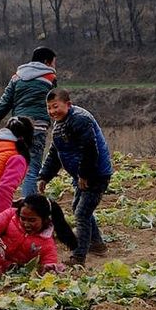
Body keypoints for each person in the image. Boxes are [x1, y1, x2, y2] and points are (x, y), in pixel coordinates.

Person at [37, 88, 113, 265]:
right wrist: (44, 176)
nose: (52, 111)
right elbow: (56, 153)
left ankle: (79, 256)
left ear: (68, 104)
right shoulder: (59, 124)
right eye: (49, 108)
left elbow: (90, 150)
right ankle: (97, 245)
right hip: (81, 173)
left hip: (96, 173)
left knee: (82, 212)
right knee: (79, 208)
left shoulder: (80, 119)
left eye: (55, 106)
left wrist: (85, 175)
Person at [0, 47, 57, 198]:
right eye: (54, 63)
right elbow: (54, 103)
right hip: (38, 127)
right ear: (46, 62)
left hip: (17, 128)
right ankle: (29, 204)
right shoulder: (50, 77)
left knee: (11, 164)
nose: (54, 67)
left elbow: (5, 101)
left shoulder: (17, 77)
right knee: (33, 167)